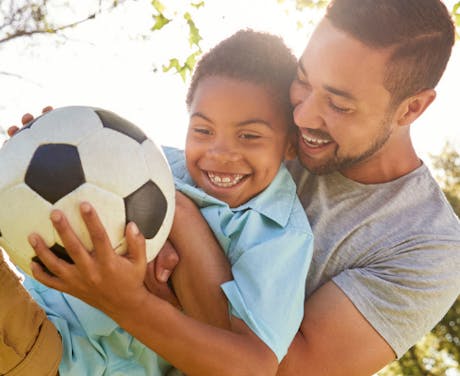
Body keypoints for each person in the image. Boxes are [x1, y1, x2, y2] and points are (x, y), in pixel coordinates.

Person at [2, 0, 460, 375]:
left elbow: (279, 371)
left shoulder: (425, 246)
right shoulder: (258, 128)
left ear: (412, 107)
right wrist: (47, 155)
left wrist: (172, 233)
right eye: (303, 80)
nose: (302, 116)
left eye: (338, 103)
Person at [0, 30, 313, 375]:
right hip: (37, 313)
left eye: (249, 136)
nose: (220, 154)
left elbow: (251, 367)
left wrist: (133, 294)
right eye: (203, 130)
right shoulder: (146, 162)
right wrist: (32, 159)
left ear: (290, 145)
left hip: (57, 359)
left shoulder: (280, 235)